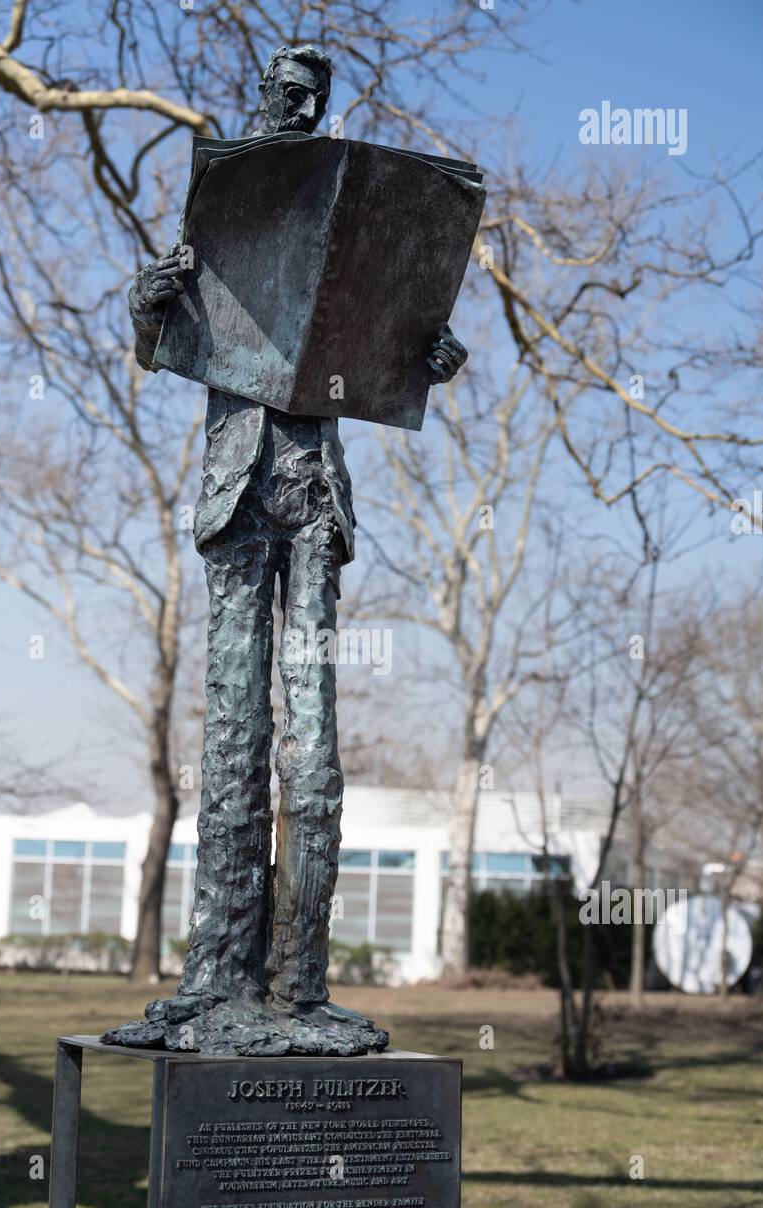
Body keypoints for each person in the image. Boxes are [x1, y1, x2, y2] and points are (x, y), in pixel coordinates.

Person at [108, 44, 468, 1054]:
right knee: (233, 740)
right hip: (236, 494)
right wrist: (147, 304)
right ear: (262, 102)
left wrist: (430, 356)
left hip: (312, 501)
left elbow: (392, 351)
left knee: (312, 745)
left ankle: (299, 990)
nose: (297, 108)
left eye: (310, 100)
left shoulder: (343, 227)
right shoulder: (229, 218)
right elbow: (157, 344)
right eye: (285, 95)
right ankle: (213, 981)